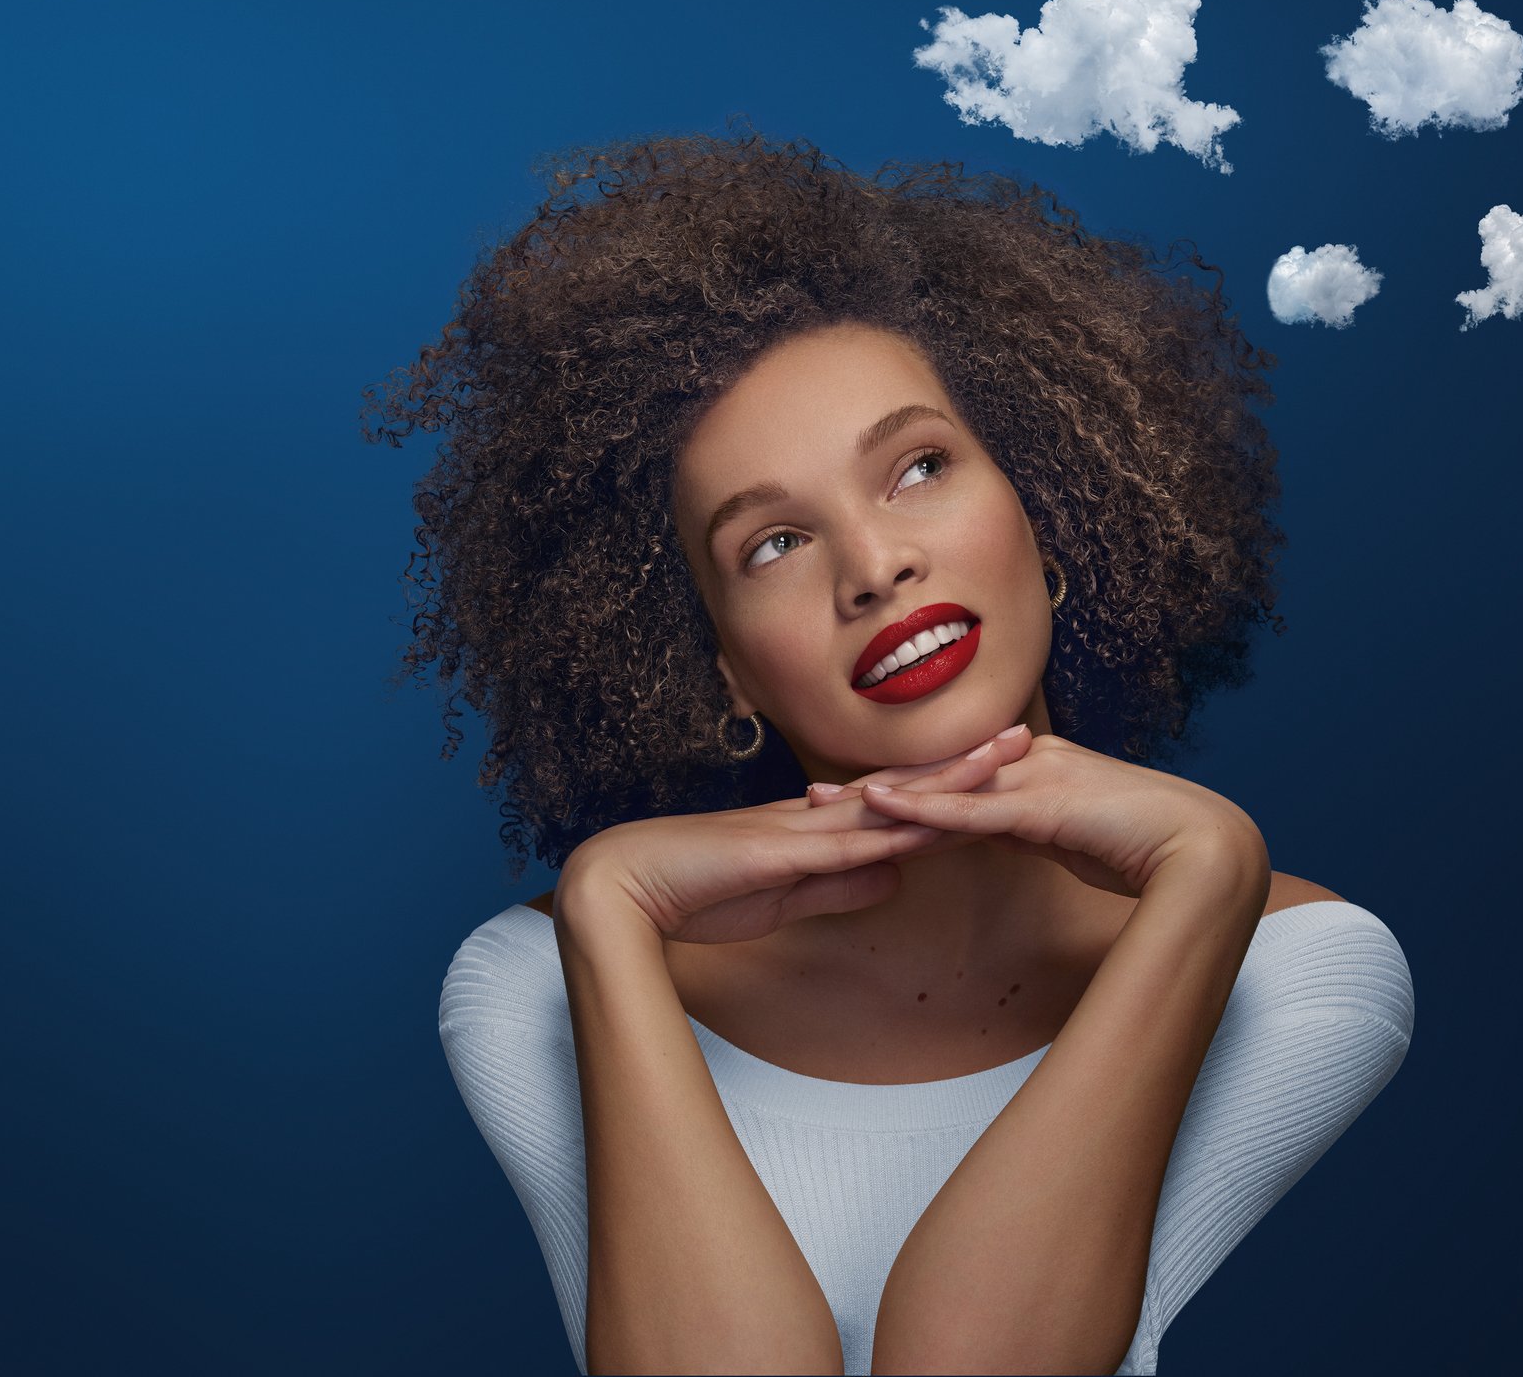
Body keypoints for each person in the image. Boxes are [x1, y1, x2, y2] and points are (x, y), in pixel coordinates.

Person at [366, 130, 1414, 1374]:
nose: (874, 566)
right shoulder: (540, 983)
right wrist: (608, 904)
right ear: (724, 666)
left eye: (919, 467)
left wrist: (1209, 872)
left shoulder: (1296, 970)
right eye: (772, 543)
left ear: (1043, 508)